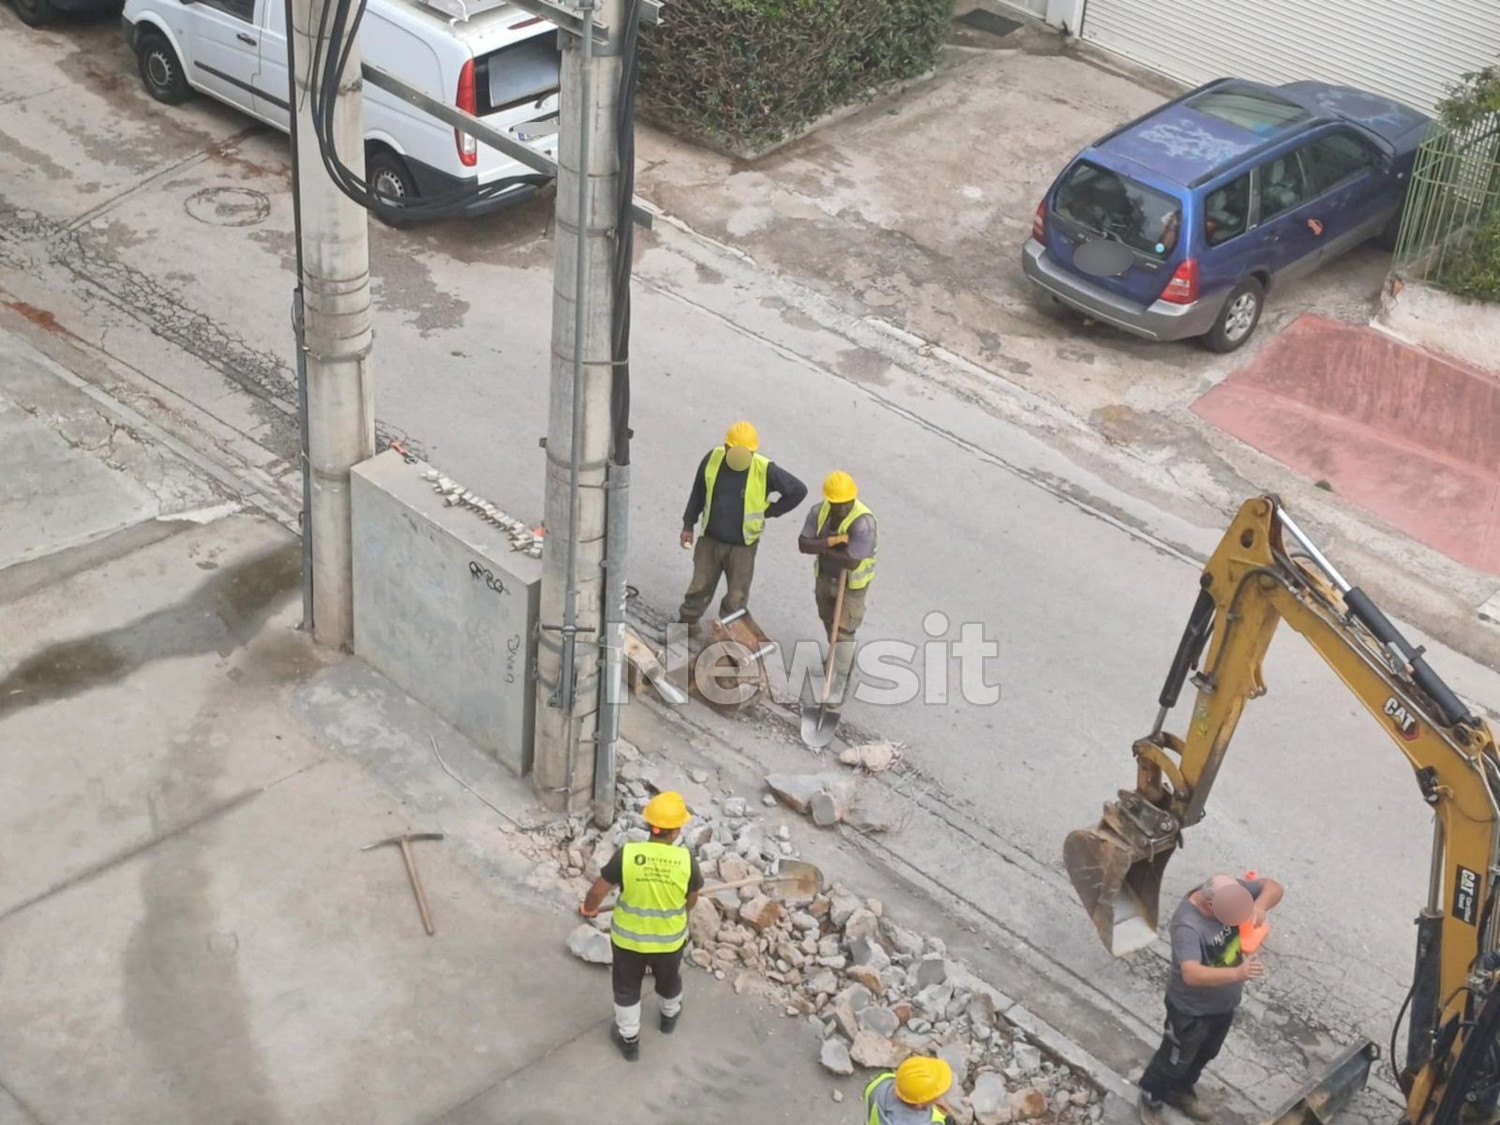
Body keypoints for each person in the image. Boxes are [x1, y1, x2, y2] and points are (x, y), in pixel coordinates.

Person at [1138, 872, 1285, 1125]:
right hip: (1190, 1012)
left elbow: (1273, 886)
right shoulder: (1187, 925)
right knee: (1174, 1060)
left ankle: (1181, 1091)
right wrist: (1238, 973)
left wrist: (1259, 907)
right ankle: (1151, 1096)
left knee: (1205, 1053)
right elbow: (1191, 974)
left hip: (1223, 1006)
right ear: (1209, 905)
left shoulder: (1229, 893)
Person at [579, 791, 704, 1061]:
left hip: (629, 943)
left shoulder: (628, 854)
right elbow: (691, 902)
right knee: (669, 980)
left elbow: (597, 893)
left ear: (649, 826)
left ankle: (629, 1040)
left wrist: (589, 909)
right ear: (676, 831)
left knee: (626, 988)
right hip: (669, 943)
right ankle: (669, 1017)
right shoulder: (686, 861)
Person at [678, 421, 808, 631]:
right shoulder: (712, 459)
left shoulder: (764, 469)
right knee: (699, 586)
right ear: (727, 447)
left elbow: (798, 491)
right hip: (711, 539)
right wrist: (687, 525)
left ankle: (728, 636)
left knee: (736, 596)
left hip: (742, 546)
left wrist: (771, 511)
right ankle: (687, 625)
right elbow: (698, 492)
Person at [798, 470, 877, 701]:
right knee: (828, 620)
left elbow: (851, 562)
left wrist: (821, 547)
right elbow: (803, 545)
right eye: (837, 504)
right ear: (829, 501)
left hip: (852, 585)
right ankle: (836, 657)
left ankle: (841, 677)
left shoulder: (863, 522)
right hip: (825, 577)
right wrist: (833, 542)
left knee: (843, 629)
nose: (842, 508)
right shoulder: (818, 511)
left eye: (846, 503)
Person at [864, 1056, 954, 1123]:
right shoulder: (930, 1122)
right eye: (937, 1095)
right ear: (919, 1105)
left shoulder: (880, 1083)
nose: (941, 1096)